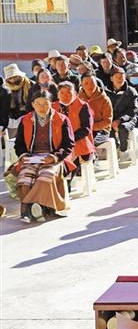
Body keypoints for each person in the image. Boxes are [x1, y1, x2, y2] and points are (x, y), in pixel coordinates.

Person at [14, 89, 75, 223]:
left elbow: (69, 144)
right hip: (32, 157)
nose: (42, 107)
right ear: (32, 104)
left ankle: (27, 209)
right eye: (38, 104)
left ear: (51, 104)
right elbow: (19, 144)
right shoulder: (25, 120)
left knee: (45, 176)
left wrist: (54, 157)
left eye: (45, 104)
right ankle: (38, 208)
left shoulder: (62, 119)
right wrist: (23, 155)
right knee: (24, 178)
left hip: (55, 158)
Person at [53, 82, 94, 165]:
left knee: (68, 164)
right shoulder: (52, 107)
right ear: (58, 95)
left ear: (75, 93)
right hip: (58, 143)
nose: (65, 96)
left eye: (69, 93)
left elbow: (86, 129)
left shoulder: (83, 106)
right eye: (62, 93)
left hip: (79, 142)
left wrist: (68, 140)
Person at [105, 67, 138, 162]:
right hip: (111, 119)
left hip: (128, 119)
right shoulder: (105, 92)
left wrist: (120, 120)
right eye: (117, 77)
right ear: (111, 78)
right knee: (106, 128)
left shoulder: (131, 91)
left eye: (122, 76)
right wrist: (111, 121)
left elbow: (134, 109)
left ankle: (124, 151)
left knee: (123, 128)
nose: (120, 79)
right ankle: (114, 149)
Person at [79, 72, 113, 147]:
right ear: (81, 84)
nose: (90, 86)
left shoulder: (104, 99)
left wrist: (92, 127)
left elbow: (107, 121)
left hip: (101, 130)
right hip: (83, 129)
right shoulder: (78, 98)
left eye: (92, 83)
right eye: (86, 83)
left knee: (91, 142)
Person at [4, 64, 35, 138]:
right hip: (10, 120)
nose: (13, 80)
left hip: (29, 117)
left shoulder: (31, 85)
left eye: (15, 77)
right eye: (10, 78)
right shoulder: (4, 88)